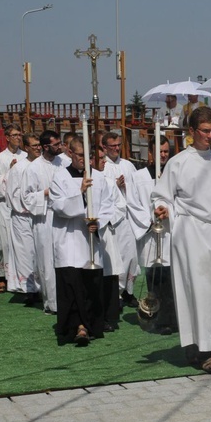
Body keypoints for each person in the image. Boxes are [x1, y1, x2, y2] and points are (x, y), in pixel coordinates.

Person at [152, 107, 211, 373]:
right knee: (199, 291)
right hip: (191, 233)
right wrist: (163, 209)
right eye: (205, 131)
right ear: (192, 132)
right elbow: (162, 196)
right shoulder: (179, 162)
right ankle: (206, 352)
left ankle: (201, 345)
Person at [49, 137, 122, 345]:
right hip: (68, 239)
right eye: (81, 156)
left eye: (88, 156)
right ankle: (76, 327)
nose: (85, 160)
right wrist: (79, 191)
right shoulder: (60, 177)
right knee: (71, 285)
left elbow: (108, 205)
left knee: (89, 285)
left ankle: (89, 324)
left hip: (90, 240)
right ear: (71, 154)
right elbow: (59, 206)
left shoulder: (99, 178)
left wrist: (97, 222)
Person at [128, 135, 177, 334]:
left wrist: (169, 214)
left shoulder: (173, 175)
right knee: (155, 279)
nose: (163, 155)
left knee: (171, 280)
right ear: (150, 153)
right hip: (150, 233)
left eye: (166, 151)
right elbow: (132, 203)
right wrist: (150, 220)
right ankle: (157, 318)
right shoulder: (138, 177)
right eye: (160, 152)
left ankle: (174, 319)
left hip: (169, 233)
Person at [21, 130, 66, 315]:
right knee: (47, 261)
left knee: (64, 259)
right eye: (56, 145)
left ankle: (67, 300)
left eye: (60, 143)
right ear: (45, 147)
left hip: (64, 216)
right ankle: (52, 303)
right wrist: (45, 193)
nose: (60, 147)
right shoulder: (33, 168)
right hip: (44, 217)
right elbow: (26, 197)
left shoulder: (65, 163)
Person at [100, 132, 140, 309]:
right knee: (117, 257)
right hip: (113, 220)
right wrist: (114, 186)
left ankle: (128, 291)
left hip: (128, 217)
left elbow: (138, 188)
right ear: (104, 147)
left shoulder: (128, 165)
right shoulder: (103, 167)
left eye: (118, 145)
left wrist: (127, 186)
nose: (116, 149)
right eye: (112, 146)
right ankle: (116, 293)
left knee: (131, 256)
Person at [0, 123, 27, 294]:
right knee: (4, 242)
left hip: (22, 205)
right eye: (15, 134)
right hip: (4, 205)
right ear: (7, 137)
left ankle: (22, 277)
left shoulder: (26, 156)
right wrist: (10, 172)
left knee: (22, 242)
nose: (18, 137)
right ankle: (3, 277)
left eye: (20, 134)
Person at [5, 133, 42, 301]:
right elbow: (13, 193)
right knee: (26, 253)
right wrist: (29, 205)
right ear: (26, 148)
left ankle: (43, 286)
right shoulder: (19, 168)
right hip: (23, 215)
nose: (38, 148)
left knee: (40, 251)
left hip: (40, 215)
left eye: (39, 145)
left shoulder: (43, 165)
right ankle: (30, 289)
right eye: (34, 146)